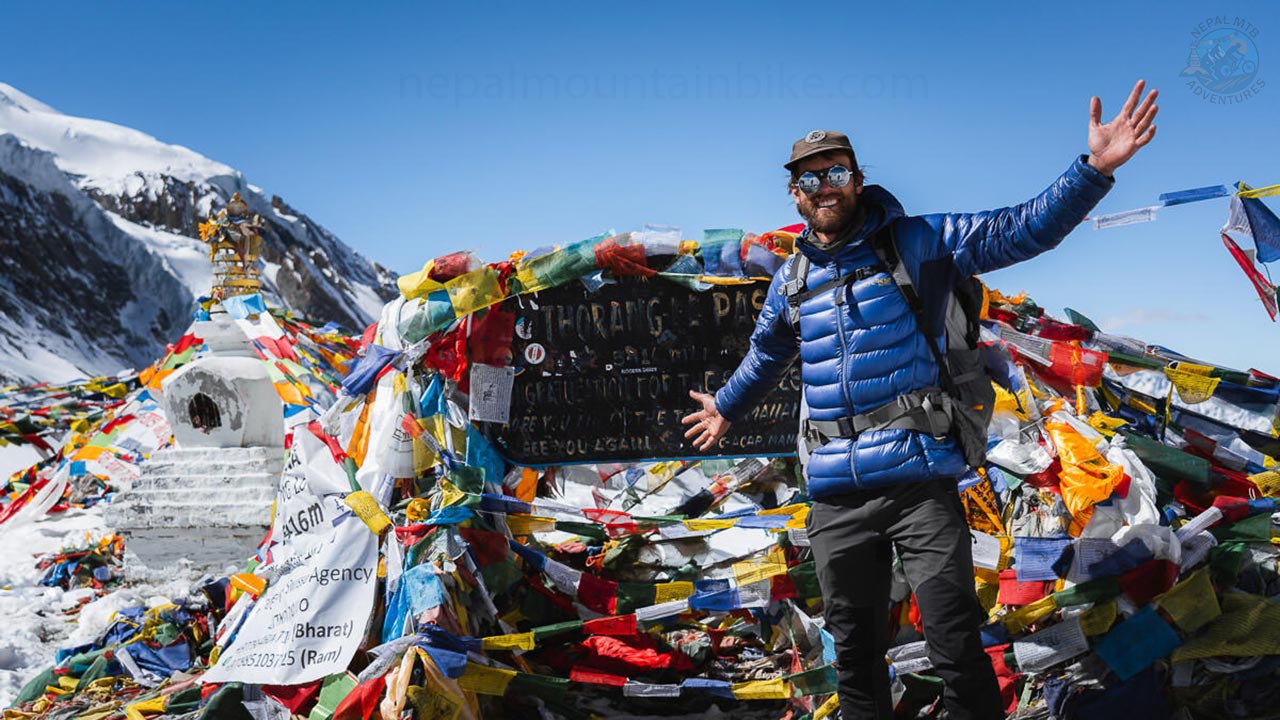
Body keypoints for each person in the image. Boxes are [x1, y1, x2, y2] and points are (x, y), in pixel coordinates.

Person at [682, 80, 1158, 719]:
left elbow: (1019, 230)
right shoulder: (792, 277)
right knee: (852, 654)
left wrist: (1093, 170)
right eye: (809, 179)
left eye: (836, 171)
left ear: (857, 179)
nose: (824, 186)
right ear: (794, 194)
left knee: (954, 640)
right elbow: (769, 354)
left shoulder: (919, 243)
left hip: (917, 483)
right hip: (833, 494)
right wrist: (726, 406)